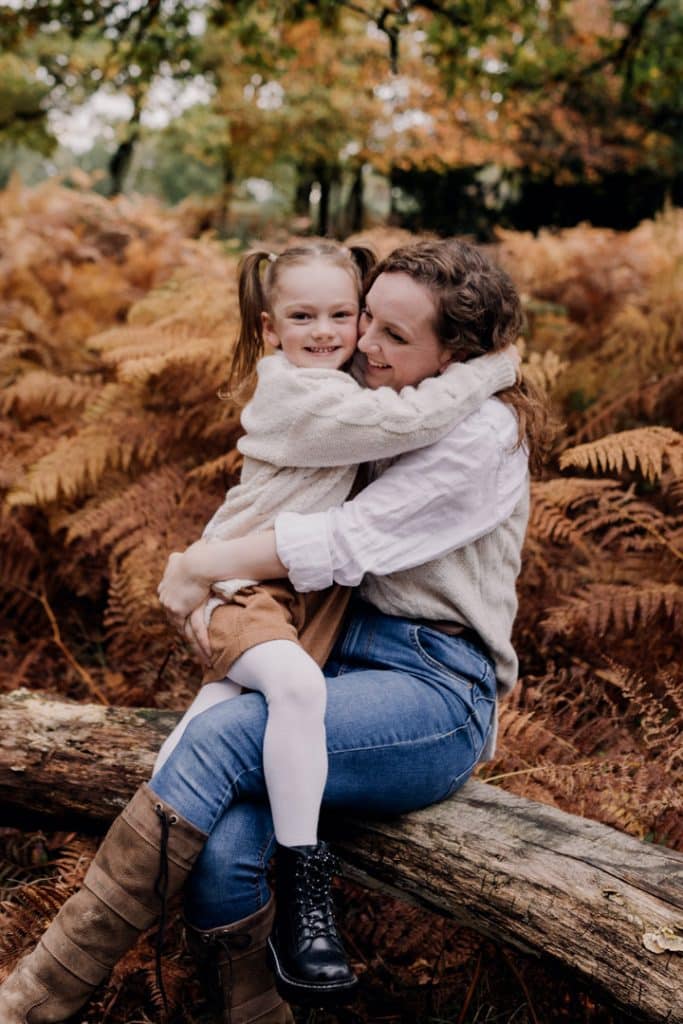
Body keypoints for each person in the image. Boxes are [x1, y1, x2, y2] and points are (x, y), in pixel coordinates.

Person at [0, 239, 543, 1024]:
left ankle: (36, 995)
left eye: (395, 335)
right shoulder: (358, 392)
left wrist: (198, 565)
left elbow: (347, 540)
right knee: (222, 853)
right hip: (328, 657)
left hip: (430, 688)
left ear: (457, 353)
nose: (362, 344)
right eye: (367, 322)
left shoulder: (479, 431)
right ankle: (256, 1009)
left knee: (218, 739)